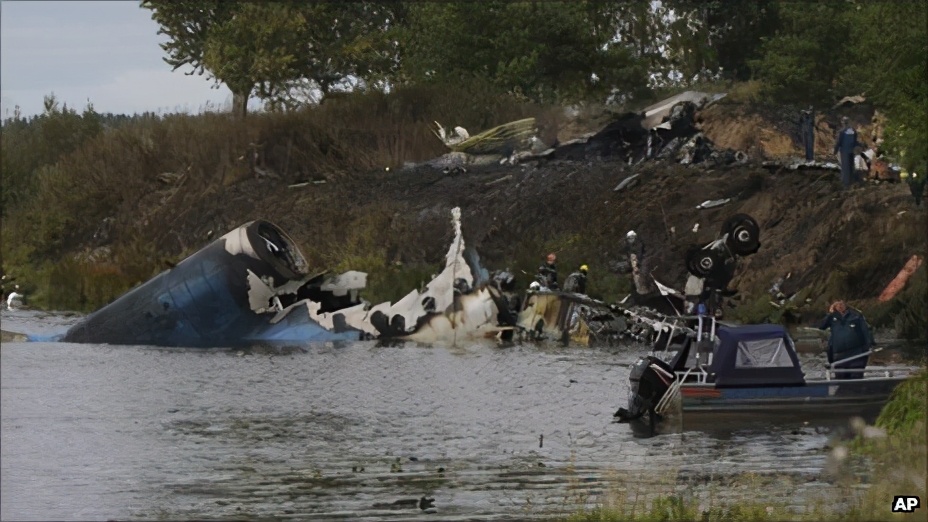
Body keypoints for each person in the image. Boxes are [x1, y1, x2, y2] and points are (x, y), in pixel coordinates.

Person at [818, 300, 874, 379]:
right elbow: (821, 326)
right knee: (840, 380)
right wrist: (830, 313)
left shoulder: (856, 316)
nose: (840, 306)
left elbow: (866, 332)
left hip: (856, 355)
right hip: (839, 356)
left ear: (846, 305)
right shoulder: (832, 317)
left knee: (856, 379)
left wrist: (868, 347)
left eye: (841, 303)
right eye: (837, 304)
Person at [833, 116, 865, 189]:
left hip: (844, 151)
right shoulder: (853, 131)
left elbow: (839, 142)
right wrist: (859, 146)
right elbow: (855, 141)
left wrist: (835, 151)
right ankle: (851, 180)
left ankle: (846, 183)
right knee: (851, 166)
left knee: (845, 167)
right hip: (851, 151)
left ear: (843, 123)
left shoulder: (842, 132)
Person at [625, 230, 652, 299]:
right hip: (637, 264)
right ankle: (642, 291)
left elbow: (641, 254)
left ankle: (645, 290)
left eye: (631, 238)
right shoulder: (631, 246)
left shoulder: (639, 244)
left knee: (642, 275)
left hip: (640, 263)